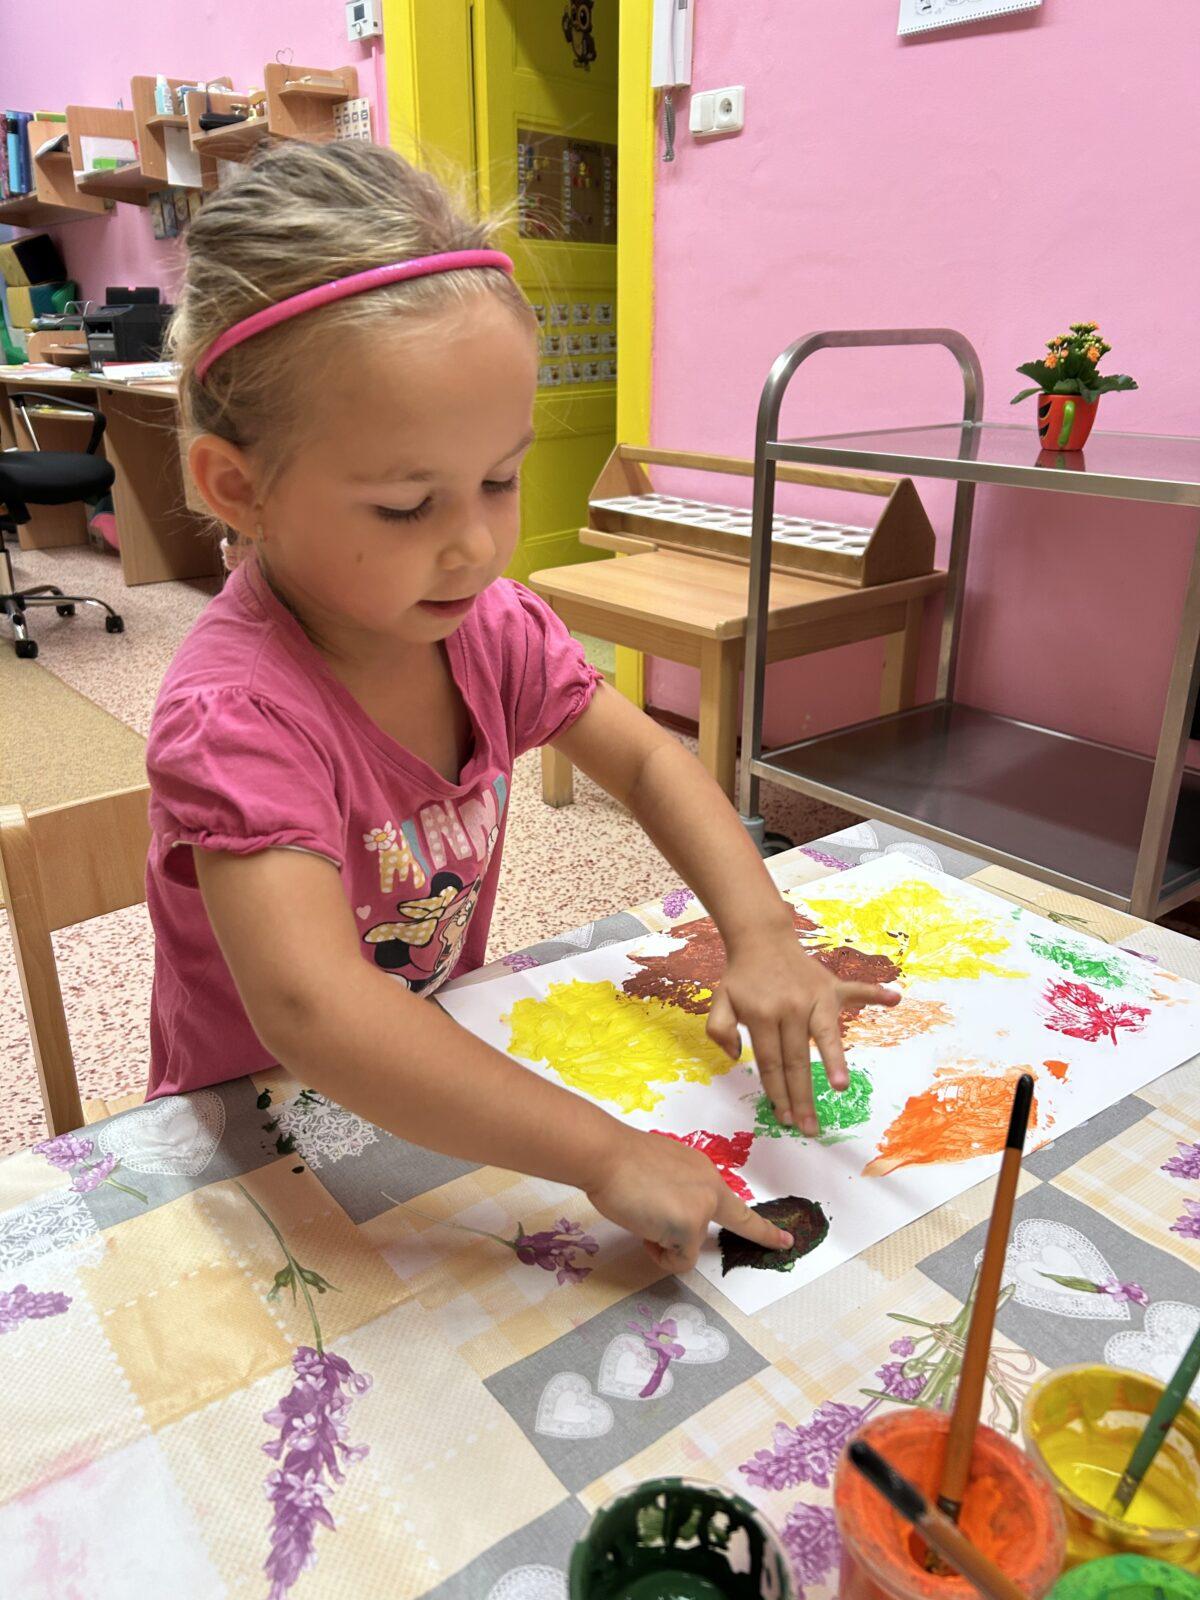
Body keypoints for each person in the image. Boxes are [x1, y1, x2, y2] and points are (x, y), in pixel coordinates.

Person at [147, 140, 899, 1276]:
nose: (476, 545)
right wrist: (604, 1152)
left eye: (500, 480)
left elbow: (647, 762)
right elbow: (314, 1010)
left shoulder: (487, 625)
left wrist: (759, 934)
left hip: (440, 1069)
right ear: (237, 487)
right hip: (263, 1122)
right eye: (407, 505)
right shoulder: (237, 714)